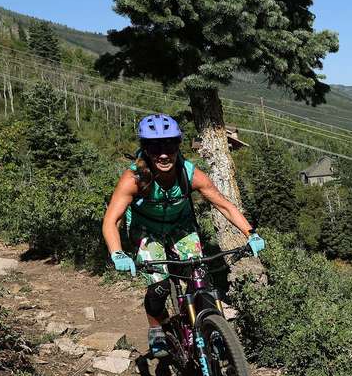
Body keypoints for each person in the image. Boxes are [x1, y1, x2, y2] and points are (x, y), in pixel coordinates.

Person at [102, 113, 264, 356]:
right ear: (145, 149)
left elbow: (225, 206)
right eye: (155, 147)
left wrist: (251, 234)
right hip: (146, 228)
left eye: (169, 145)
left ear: (178, 146)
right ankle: (157, 328)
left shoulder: (190, 174)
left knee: (200, 278)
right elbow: (110, 220)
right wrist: (117, 253)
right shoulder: (134, 178)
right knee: (160, 285)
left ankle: (213, 330)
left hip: (181, 225)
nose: (164, 153)